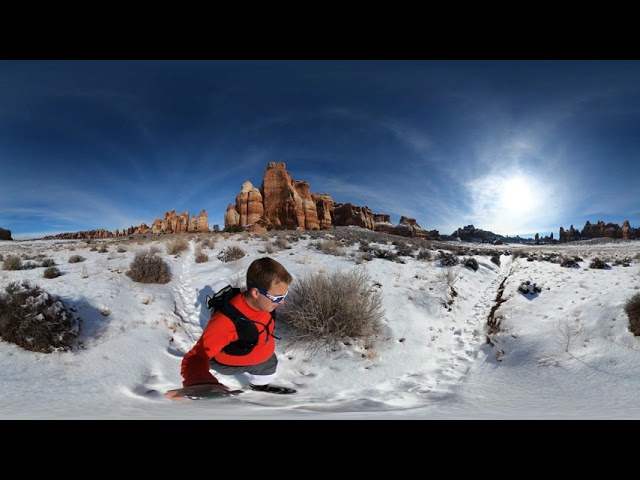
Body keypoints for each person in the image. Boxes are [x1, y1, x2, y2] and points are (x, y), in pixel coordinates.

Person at [179, 256, 296, 395]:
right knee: (267, 365)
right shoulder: (225, 321)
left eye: (284, 295)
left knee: (269, 365)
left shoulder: (266, 304)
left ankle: (259, 387)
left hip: (263, 357)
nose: (282, 302)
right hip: (231, 363)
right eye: (277, 297)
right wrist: (199, 382)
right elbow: (196, 356)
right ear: (256, 293)